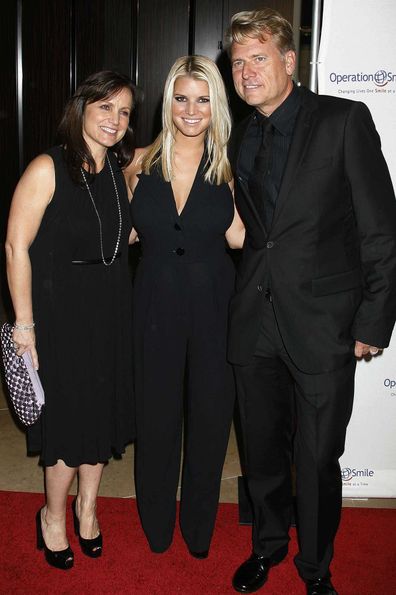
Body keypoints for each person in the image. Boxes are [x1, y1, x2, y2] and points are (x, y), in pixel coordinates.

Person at [225, 8, 396, 595]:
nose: (247, 72)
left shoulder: (344, 120)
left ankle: (316, 567)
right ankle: (268, 547)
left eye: (259, 58)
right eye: (239, 62)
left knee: (318, 458)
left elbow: (379, 229)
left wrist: (375, 317)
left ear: (289, 62)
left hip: (324, 323)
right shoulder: (240, 133)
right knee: (263, 451)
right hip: (255, 323)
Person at [5, 70, 136, 569]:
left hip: (111, 308)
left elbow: (116, 236)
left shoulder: (118, 170)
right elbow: (17, 246)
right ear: (81, 108)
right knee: (67, 422)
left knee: (99, 417)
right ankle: (52, 517)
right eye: (105, 107)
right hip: (61, 315)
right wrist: (25, 325)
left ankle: (88, 509)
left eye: (124, 112)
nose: (115, 120)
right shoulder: (48, 167)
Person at [124, 55, 245, 558]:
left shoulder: (231, 164)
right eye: (181, 98)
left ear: (215, 105)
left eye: (202, 100)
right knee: (155, 419)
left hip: (216, 306)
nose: (191, 110)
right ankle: (156, 525)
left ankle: (198, 527)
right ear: (167, 102)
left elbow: (240, 238)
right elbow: (120, 235)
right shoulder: (137, 163)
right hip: (153, 305)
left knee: (211, 419)